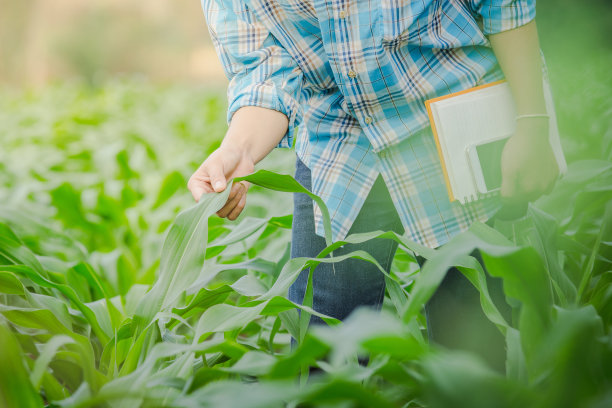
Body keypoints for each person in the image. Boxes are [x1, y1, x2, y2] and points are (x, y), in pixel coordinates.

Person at [188, 0, 559, 373]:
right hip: (340, 142)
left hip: (454, 127)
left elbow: (502, 5)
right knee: (322, 358)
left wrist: (532, 120)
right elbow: (264, 74)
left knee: (476, 347)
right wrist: (237, 149)